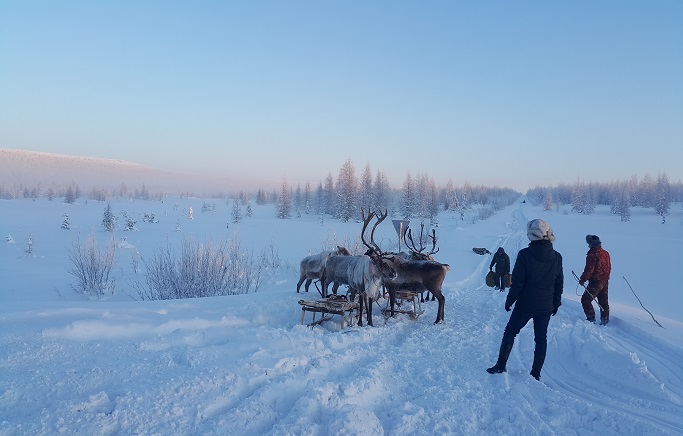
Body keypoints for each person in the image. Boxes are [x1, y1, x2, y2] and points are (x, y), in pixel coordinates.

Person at [486, 219, 563, 381]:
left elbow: (518, 281)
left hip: (525, 305)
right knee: (541, 339)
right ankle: (535, 373)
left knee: (510, 332)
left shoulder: (524, 255)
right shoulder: (557, 257)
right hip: (546, 306)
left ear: (532, 235)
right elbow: (559, 282)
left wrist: (510, 299)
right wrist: (556, 302)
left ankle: (501, 365)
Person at [579, 234, 611, 325]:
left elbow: (589, 269)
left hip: (596, 281)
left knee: (585, 299)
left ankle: (591, 318)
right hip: (605, 281)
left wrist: (582, 280)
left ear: (591, 244)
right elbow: (609, 267)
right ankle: (605, 320)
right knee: (603, 301)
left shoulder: (592, 254)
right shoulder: (606, 253)